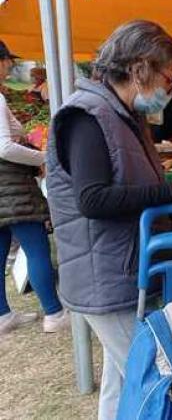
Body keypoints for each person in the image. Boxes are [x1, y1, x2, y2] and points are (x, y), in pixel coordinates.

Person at [45, 20, 172, 420]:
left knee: (122, 384)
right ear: (141, 67)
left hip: (129, 272)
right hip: (107, 281)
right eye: (171, 78)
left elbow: (142, 199)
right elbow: (94, 199)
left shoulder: (127, 118)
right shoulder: (86, 118)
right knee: (156, 385)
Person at [0, 41, 69, 336]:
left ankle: (3, 314)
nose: (10, 67)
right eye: (7, 61)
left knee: (1, 248)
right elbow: (4, 147)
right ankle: (54, 313)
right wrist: (44, 157)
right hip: (11, 187)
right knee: (37, 246)